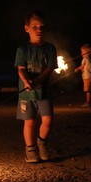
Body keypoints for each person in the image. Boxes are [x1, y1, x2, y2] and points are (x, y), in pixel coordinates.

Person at [14, 10, 58, 163]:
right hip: (26, 94)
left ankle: (42, 142)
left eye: (41, 27)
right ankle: (30, 149)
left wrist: (39, 80)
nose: (39, 30)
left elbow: (50, 68)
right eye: (35, 27)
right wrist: (26, 82)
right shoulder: (23, 50)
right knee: (30, 121)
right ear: (26, 28)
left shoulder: (50, 48)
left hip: (44, 91)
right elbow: (21, 69)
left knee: (48, 120)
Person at [74, 44, 91, 108]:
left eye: (82, 52)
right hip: (89, 76)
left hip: (87, 77)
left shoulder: (85, 59)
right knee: (89, 90)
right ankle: (90, 102)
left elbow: (82, 67)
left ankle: (88, 103)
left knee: (87, 90)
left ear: (87, 53)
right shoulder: (89, 59)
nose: (81, 53)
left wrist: (77, 69)